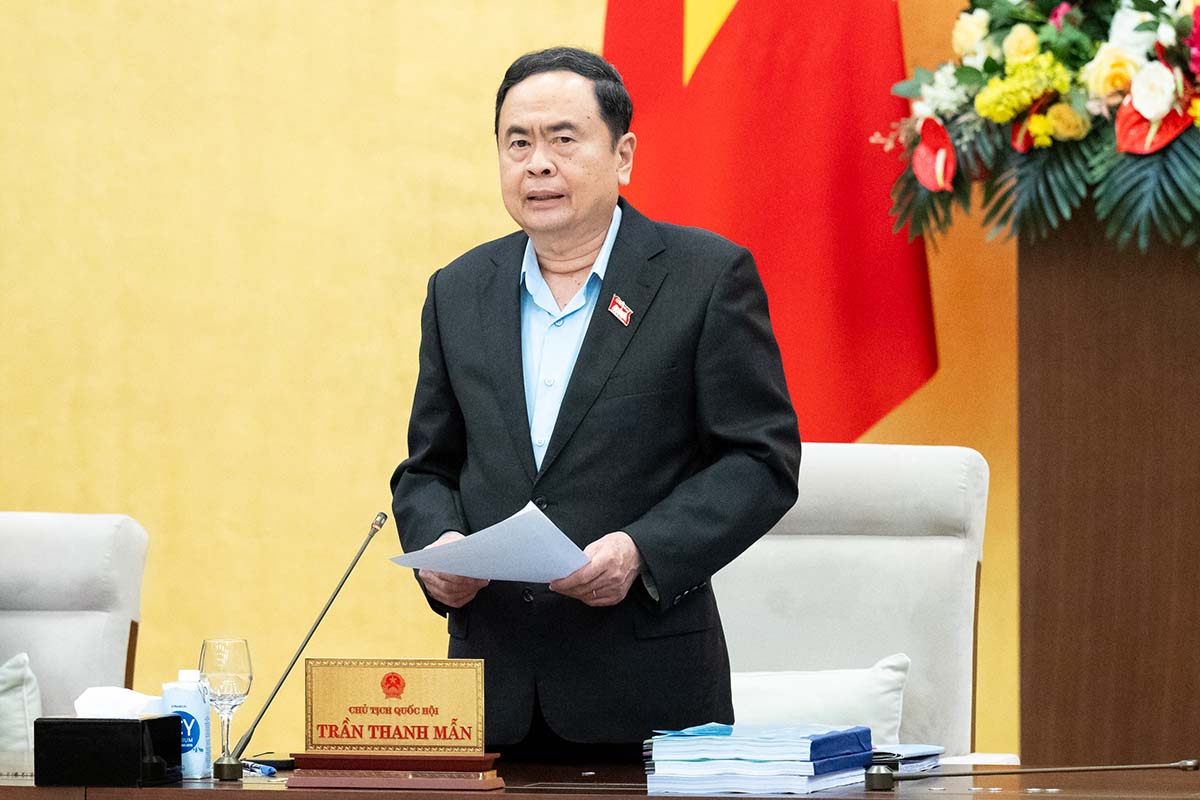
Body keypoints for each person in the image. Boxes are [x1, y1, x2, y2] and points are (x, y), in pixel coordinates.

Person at [390, 46, 801, 755]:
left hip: (648, 695)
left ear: (624, 156)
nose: (538, 164)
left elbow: (761, 461)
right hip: (491, 700)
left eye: (563, 139)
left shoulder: (706, 277)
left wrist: (643, 551)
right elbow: (428, 468)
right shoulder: (457, 290)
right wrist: (441, 548)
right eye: (518, 143)